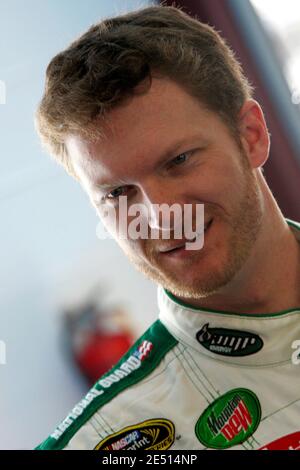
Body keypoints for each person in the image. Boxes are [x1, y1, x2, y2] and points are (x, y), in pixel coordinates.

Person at [34, 5, 300, 450]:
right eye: (118, 194)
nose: (160, 216)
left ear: (251, 135)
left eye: (178, 161)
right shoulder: (105, 441)